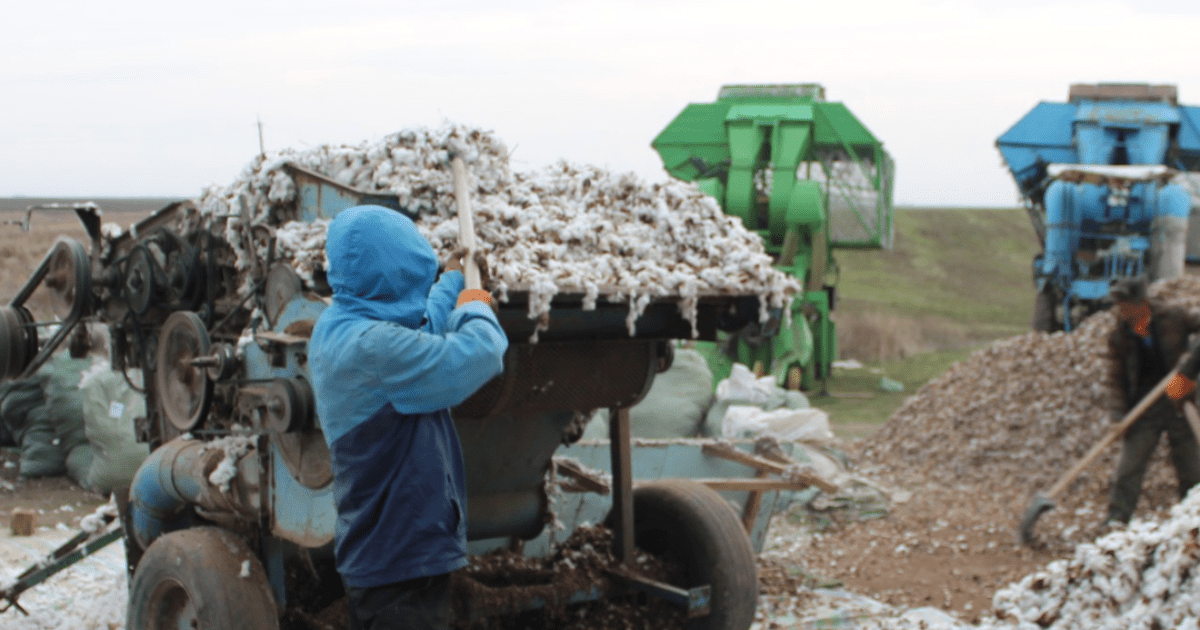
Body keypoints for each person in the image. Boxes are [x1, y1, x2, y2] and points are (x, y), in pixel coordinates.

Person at [308, 205, 508, 630]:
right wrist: (475, 299)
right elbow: (481, 352)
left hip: (386, 556)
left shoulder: (340, 325)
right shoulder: (374, 348)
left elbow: (419, 328)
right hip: (400, 563)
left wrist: (452, 280)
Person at [1105, 276, 1200, 527]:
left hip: (1180, 400)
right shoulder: (1119, 336)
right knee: (1129, 468)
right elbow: (1116, 380)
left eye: (1128, 306)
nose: (1124, 312)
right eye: (1121, 307)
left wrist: (1189, 369)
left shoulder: (1174, 317)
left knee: (1191, 468)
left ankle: (1193, 520)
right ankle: (1116, 520)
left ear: (1142, 303)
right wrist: (1118, 416)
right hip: (1144, 407)